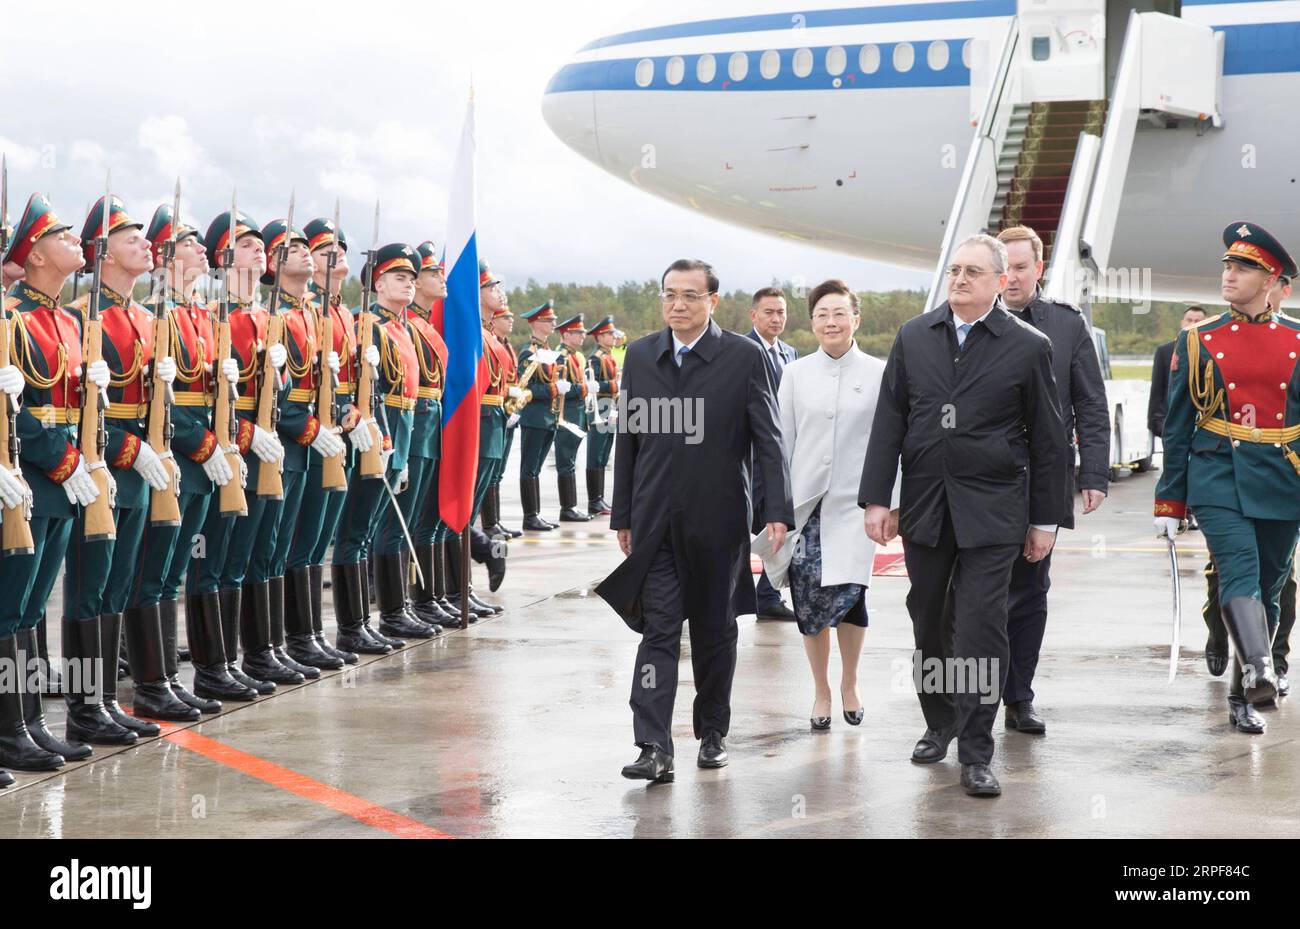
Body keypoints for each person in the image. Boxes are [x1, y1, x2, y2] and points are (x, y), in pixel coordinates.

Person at [859, 234, 1066, 798]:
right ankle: (939, 721)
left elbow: (1048, 441)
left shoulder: (1028, 346)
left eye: (974, 271)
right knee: (928, 620)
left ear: (1001, 282)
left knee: (979, 627)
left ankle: (977, 749)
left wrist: (1045, 520)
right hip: (926, 509)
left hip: (994, 511)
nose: (960, 280)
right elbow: (890, 421)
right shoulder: (914, 337)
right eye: (954, 270)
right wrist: (878, 498)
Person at [598, 258, 792, 783]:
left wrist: (776, 510)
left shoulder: (742, 357)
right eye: (669, 295)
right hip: (656, 519)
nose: (677, 305)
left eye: (689, 295)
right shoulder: (640, 355)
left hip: (720, 520)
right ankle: (653, 746)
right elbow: (629, 439)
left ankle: (712, 732)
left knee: (714, 631)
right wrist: (624, 515)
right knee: (658, 630)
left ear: (713, 301)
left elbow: (768, 439)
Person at [1155, 223, 1300, 734]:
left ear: (1272, 280)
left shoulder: (1298, 341)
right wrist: (1170, 501)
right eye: (1227, 265)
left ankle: (1244, 690)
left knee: (1271, 583)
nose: (1229, 274)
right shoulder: (1198, 339)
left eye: (1243, 268)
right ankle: (1261, 667)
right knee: (1238, 567)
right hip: (1217, 470)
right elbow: (1176, 428)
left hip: (1284, 477)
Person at [0, 195, 111, 770]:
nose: (77, 244)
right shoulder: (10, 317)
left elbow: (76, 408)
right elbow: (14, 413)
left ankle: (28, 723)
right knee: (8, 606)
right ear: (36, 254)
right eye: (64, 237)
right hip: (32, 472)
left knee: (31, 608)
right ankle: (8, 729)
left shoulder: (67, 320)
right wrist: (61, 461)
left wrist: (86, 461)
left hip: (65, 473)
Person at [66, 196, 181, 734]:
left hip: (145, 463)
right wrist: (128, 450)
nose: (146, 244)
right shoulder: (83, 316)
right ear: (102, 253)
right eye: (130, 237)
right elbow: (76, 409)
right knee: (91, 585)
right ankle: (85, 707)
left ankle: (106, 700)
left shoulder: (146, 317)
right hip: (105, 461)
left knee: (117, 584)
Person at [753, 280, 890, 730]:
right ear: (811, 323)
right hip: (805, 507)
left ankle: (850, 682)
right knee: (809, 602)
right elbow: (780, 442)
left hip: (857, 506)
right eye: (821, 315)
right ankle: (821, 690)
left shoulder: (879, 372)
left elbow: (892, 444)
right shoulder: (795, 373)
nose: (830, 322)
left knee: (852, 598)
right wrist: (776, 506)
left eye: (838, 313)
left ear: (856, 318)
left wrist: (890, 503)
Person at [993, 225, 1110, 734]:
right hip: (983, 479)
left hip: (1041, 478)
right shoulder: (972, 321)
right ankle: (967, 698)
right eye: (1005, 268)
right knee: (973, 592)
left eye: (1022, 267)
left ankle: (1018, 696)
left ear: (1038, 269)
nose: (1012, 277)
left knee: (1029, 589)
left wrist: (1096, 474)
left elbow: (1090, 401)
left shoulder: (1065, 325)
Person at [132, 201, 242, 713]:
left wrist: (232, 438)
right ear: (164, 256)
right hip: (179, 450)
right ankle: (152, 683)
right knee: (155, 571)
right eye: (188, 243)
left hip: (208, 452)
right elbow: (159, 403)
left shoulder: (202, 313)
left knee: (177, 569)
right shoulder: (158, 314)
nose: (202, 249)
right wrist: (202, 444)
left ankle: (185, 674)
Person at [283, 216, 372, 666]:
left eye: (340, 245)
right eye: (324, 249)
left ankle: (312, 633)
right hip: (311, 434)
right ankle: (297, 637)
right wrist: (329, 421)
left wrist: (353, 414)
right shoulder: (310, 310)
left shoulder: (338, 309)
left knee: (318, 542)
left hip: (337, 432)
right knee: (300, 541)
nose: (336, 253)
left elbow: (343, 382)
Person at [746, 287, 798, 621]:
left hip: (780, 456)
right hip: (750, 457)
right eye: (769, 312)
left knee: (781, 528)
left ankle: (767, 594)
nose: (776, 318)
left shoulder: (789, 353)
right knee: (745, 528)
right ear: (753, 315)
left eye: (780, 312)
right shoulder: (741, 350)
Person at [516, 299, 563, 531]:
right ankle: (530, 515)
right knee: (530, 467)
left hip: (548, 417)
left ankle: (535, 514)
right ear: (536, 323)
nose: (553, 323)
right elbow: (525, 387)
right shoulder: (529, 353)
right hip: (534, 418)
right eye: (549, 320)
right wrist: (553, 389)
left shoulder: (546, 351)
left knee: (536, 468)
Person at [484, 301, 521, 538]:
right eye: (505, 317)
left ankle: (494, 520)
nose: (510, 320)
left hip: (505, 410)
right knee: (490, 471)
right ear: (493, 320)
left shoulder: (506, 346)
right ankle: (488, 524)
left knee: (498, 472)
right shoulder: (490, 342)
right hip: (494, 409)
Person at [553, 314, 592, 522]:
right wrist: (584, 388)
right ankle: (567, 508)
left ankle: (571, 506)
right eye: (578, 332)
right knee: (566, 462)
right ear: (566, 334)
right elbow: (563, 388)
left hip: (576, 413)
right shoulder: (561, 357)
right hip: (566, 414)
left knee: (570, 461)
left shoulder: (577, 356)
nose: (583, 336)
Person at [1149, 306, 1208, 438]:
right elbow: (1157, 391)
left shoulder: (1214, 352)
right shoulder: (1165, 351)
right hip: (1173, 424)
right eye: (1189, 320)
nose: (1193, 324)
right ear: (1182, 322)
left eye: (1198, 320)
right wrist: (1159, 425)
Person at [584, 315, 619, 516]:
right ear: (600, 336)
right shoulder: (595, 358)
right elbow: (593, 384)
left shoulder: (608, 356)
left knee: (604, 455)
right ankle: (593, 500)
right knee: (595, 454)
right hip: (599, 407)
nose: (613, 337)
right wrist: (614, 385)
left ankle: (599, 498)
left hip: (610, 407)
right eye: (609, 334)